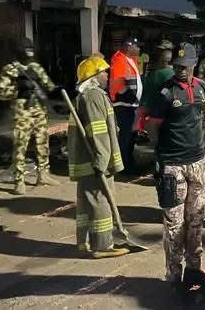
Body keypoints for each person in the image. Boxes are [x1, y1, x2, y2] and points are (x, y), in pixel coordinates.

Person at [144, 43, 205, 295]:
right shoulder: (165, 93)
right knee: (174, 223)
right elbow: (152, 127)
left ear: (194, 65)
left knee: (196, 219)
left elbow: (202, 117)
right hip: (173, 165)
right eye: (177, 66)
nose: (180, 70)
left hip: (198, 162)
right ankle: (174, 277)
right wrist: (161, 155)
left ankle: (194, 270)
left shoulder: (202, 87)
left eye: (185, 66)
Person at [67, 55, 129, 259]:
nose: (107, 76)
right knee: (100, 201)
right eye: (103, 72)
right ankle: (102, 245)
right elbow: (98, 131)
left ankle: (85, 242)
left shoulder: (88, 96)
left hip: (89, 160)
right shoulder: (93, 96)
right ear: (93, 76)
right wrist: (102, 162)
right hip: (96, 161)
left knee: (88, 202)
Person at [0, 37, 59, 195]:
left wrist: (46, 86)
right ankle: (19, 181)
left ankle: (43, 175)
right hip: (22, 113)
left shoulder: (35, 67)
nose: (29, 52)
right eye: (26, 49)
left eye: (31, 49)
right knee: (20, 146)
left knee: (43, 142)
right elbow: (2, 93)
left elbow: (49, 85)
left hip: (39, 110)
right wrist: (19, 88)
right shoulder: (9, 69)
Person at [109, 38, 143, 172]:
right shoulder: (120, 60)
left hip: (130, 105)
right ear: (129, 47)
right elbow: (119, 85)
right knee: (126, 136)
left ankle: (129, 161)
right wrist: (132, 97)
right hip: (124, 105)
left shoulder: (130, 60)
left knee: (131, 135)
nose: (139, 49)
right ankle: (124, 165)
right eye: (136, 46)